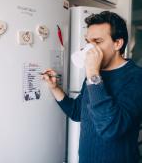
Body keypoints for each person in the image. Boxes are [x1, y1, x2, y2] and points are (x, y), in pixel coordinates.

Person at [42, 11, 142, 163]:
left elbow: (111, 129)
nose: (90, 48)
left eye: (97, 41)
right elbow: (78, 112)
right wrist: (55, 88)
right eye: (88, 42)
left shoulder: (135, 77)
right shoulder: (95, 74)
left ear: (118, 43)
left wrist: (93, 74)